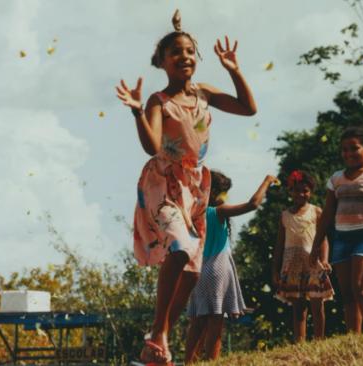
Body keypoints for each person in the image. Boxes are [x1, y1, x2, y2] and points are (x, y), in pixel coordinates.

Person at [115, 9, 257, 364]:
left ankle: (156, 343)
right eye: (176, 52)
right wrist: (136, 111)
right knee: (179, 247)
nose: (185, 57)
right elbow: (152, 145)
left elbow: (248, 108)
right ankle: (159, 333)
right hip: (163, 183)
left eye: (190, 51)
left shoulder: (205, 94)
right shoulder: (159, 102)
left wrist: (234, 69)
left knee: (193, 271)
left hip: (195, 187)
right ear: (161, 61)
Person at [310, 126, 363, 333]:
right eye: (344, 149)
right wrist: (315, 246)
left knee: (360, 286)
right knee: (347, 292)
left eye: (354, 148)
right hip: (342, 238)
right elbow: (327, 215)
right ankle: (354, 337)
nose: (348, 153)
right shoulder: (336, 179)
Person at [184, 172, 278, 363]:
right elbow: (253, 204)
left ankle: (189, 362)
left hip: (197, 269)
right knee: (216, 320)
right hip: (218, 267)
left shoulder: (193, 212)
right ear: (215, 192)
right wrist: (267, 180)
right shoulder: (217, 211)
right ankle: (212, 361)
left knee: (197, 321)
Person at [273, 170, 334, 342]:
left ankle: (319, 339)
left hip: (313, 261)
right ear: (290, 191)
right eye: (296, 190)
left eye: (305, 190)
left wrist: (324, 260)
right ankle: (300, 341)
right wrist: (275, 270)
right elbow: (279, 245)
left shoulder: (316, 211)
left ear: (311, 192)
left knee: (316, 301)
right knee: (298, 305)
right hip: (291, 264)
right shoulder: (284, 215)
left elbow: (323, 239)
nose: (301, 194)